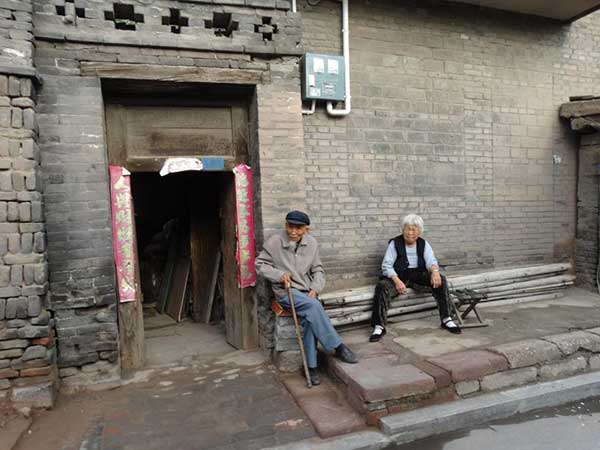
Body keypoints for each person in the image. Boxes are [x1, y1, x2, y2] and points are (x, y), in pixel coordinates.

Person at [256, 210, 358, 385]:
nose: (293, 231)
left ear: (306, 229)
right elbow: (260, 264)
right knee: (314, 307)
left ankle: (310, 367)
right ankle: (338, 346)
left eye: (298, 228)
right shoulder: (274, 242)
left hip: (306, 292)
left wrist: (315, 288)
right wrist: (279, 274)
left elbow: (318, 269)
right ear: (285, 225)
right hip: (286, 291)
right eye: (290, 226)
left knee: (311, 316)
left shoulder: (312, 244)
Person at [369, 214, 461, 342]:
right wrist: (396, 280)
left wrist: (435, 272)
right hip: (399, 275)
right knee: (381, 287)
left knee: (441, 279)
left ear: (419, 231)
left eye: (414, 229)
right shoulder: (395, 243)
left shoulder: (423, 244)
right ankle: (379, 326)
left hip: (418, 275)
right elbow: (386, 265)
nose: (410, 232)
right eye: (407, 229)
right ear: (402, 229)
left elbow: (431, 261)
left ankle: (446, 319)